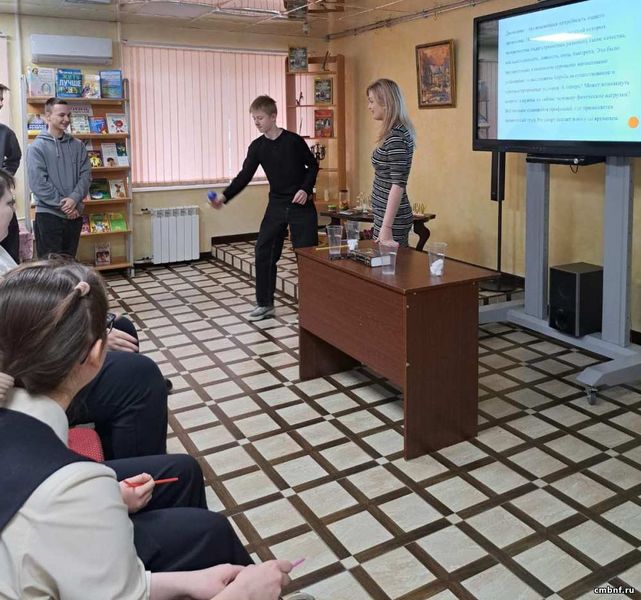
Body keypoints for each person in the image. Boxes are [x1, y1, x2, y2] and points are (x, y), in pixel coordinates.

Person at [0, 258, 295, 600]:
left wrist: (187, 582)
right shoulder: (76, 486)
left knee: (183, 470)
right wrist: (243, 594)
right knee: (211, 531)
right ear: (96, 354)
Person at [0, 167, 167, 459]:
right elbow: (23, 326)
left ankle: (118, 438)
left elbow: (30, 310)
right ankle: (135, 468)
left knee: (123, 327)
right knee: (140, 375)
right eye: (9, 203)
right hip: (28, 371)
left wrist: (94, 323)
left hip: (27, 355)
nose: (13, 212)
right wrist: (84, 338)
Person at [208, 95, 319, 321]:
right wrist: (224, 196)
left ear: (273, 116)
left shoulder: (294, 141)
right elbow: (244, 176)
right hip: (276, 204)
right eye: (254, 118)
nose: (256, 122)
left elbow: (313, 166)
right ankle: (265, 304)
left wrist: (305, 189)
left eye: (260, 118)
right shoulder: (257, 147)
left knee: (307, 257)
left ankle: (313, 308)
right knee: (263, 251)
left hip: (301, 205)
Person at [27, 97, 91, 258]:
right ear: (48, 116)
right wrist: (64, 205)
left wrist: (73, 200)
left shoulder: (78, 145)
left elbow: (86, 176)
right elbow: (38, 183)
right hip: (49, 216)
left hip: (74, 215)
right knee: (50, 267)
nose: (67, 119)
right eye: (61, 115)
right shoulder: (36, 147)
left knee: (69, 265)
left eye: (69, 115)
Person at [366, 79, 416, 247]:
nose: (369, 106)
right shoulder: (393, 133)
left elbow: (398, 185)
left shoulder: (396, 137)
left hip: (392, 221)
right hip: (384, 216)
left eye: (371, 101)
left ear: (386, 103)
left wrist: (386, 227)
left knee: (392, 263)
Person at [0, 83, 22, 263]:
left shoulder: (6, 133)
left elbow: (14, 158)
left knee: (10, 256)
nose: (1, 104)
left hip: (1, 202)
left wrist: (2, 179)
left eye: (1, 100)